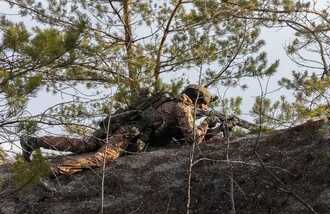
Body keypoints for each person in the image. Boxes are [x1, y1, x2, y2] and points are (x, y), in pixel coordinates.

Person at [20, 84, 216, 175]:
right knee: (101, 158)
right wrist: (207, 125)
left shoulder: (168, 100)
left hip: (119, 126)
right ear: (197, 100)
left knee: (83, 144)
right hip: (127, 133)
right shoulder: (183, 108)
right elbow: (192, 138)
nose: (201, 109)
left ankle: (33, 141)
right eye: (202, 105)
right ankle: (51, 171)